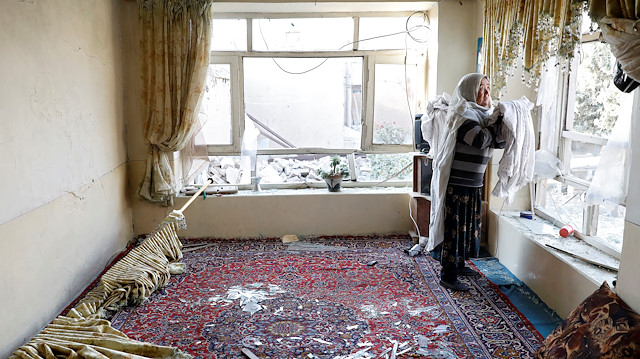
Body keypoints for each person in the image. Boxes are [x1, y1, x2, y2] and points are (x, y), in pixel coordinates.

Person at [427, 73, 504, 292]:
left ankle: (459, 265)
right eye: (481, 88)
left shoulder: (482, 115)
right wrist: (496, 122)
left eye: (488, 87)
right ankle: (448, 274)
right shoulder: (462, 114)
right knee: (455, 229)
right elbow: (480, 139)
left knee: (467, 227)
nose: (487, 92)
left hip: (473, 184)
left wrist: (496, 122)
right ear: (470, 91)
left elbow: (498, 142)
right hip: (457, 184)